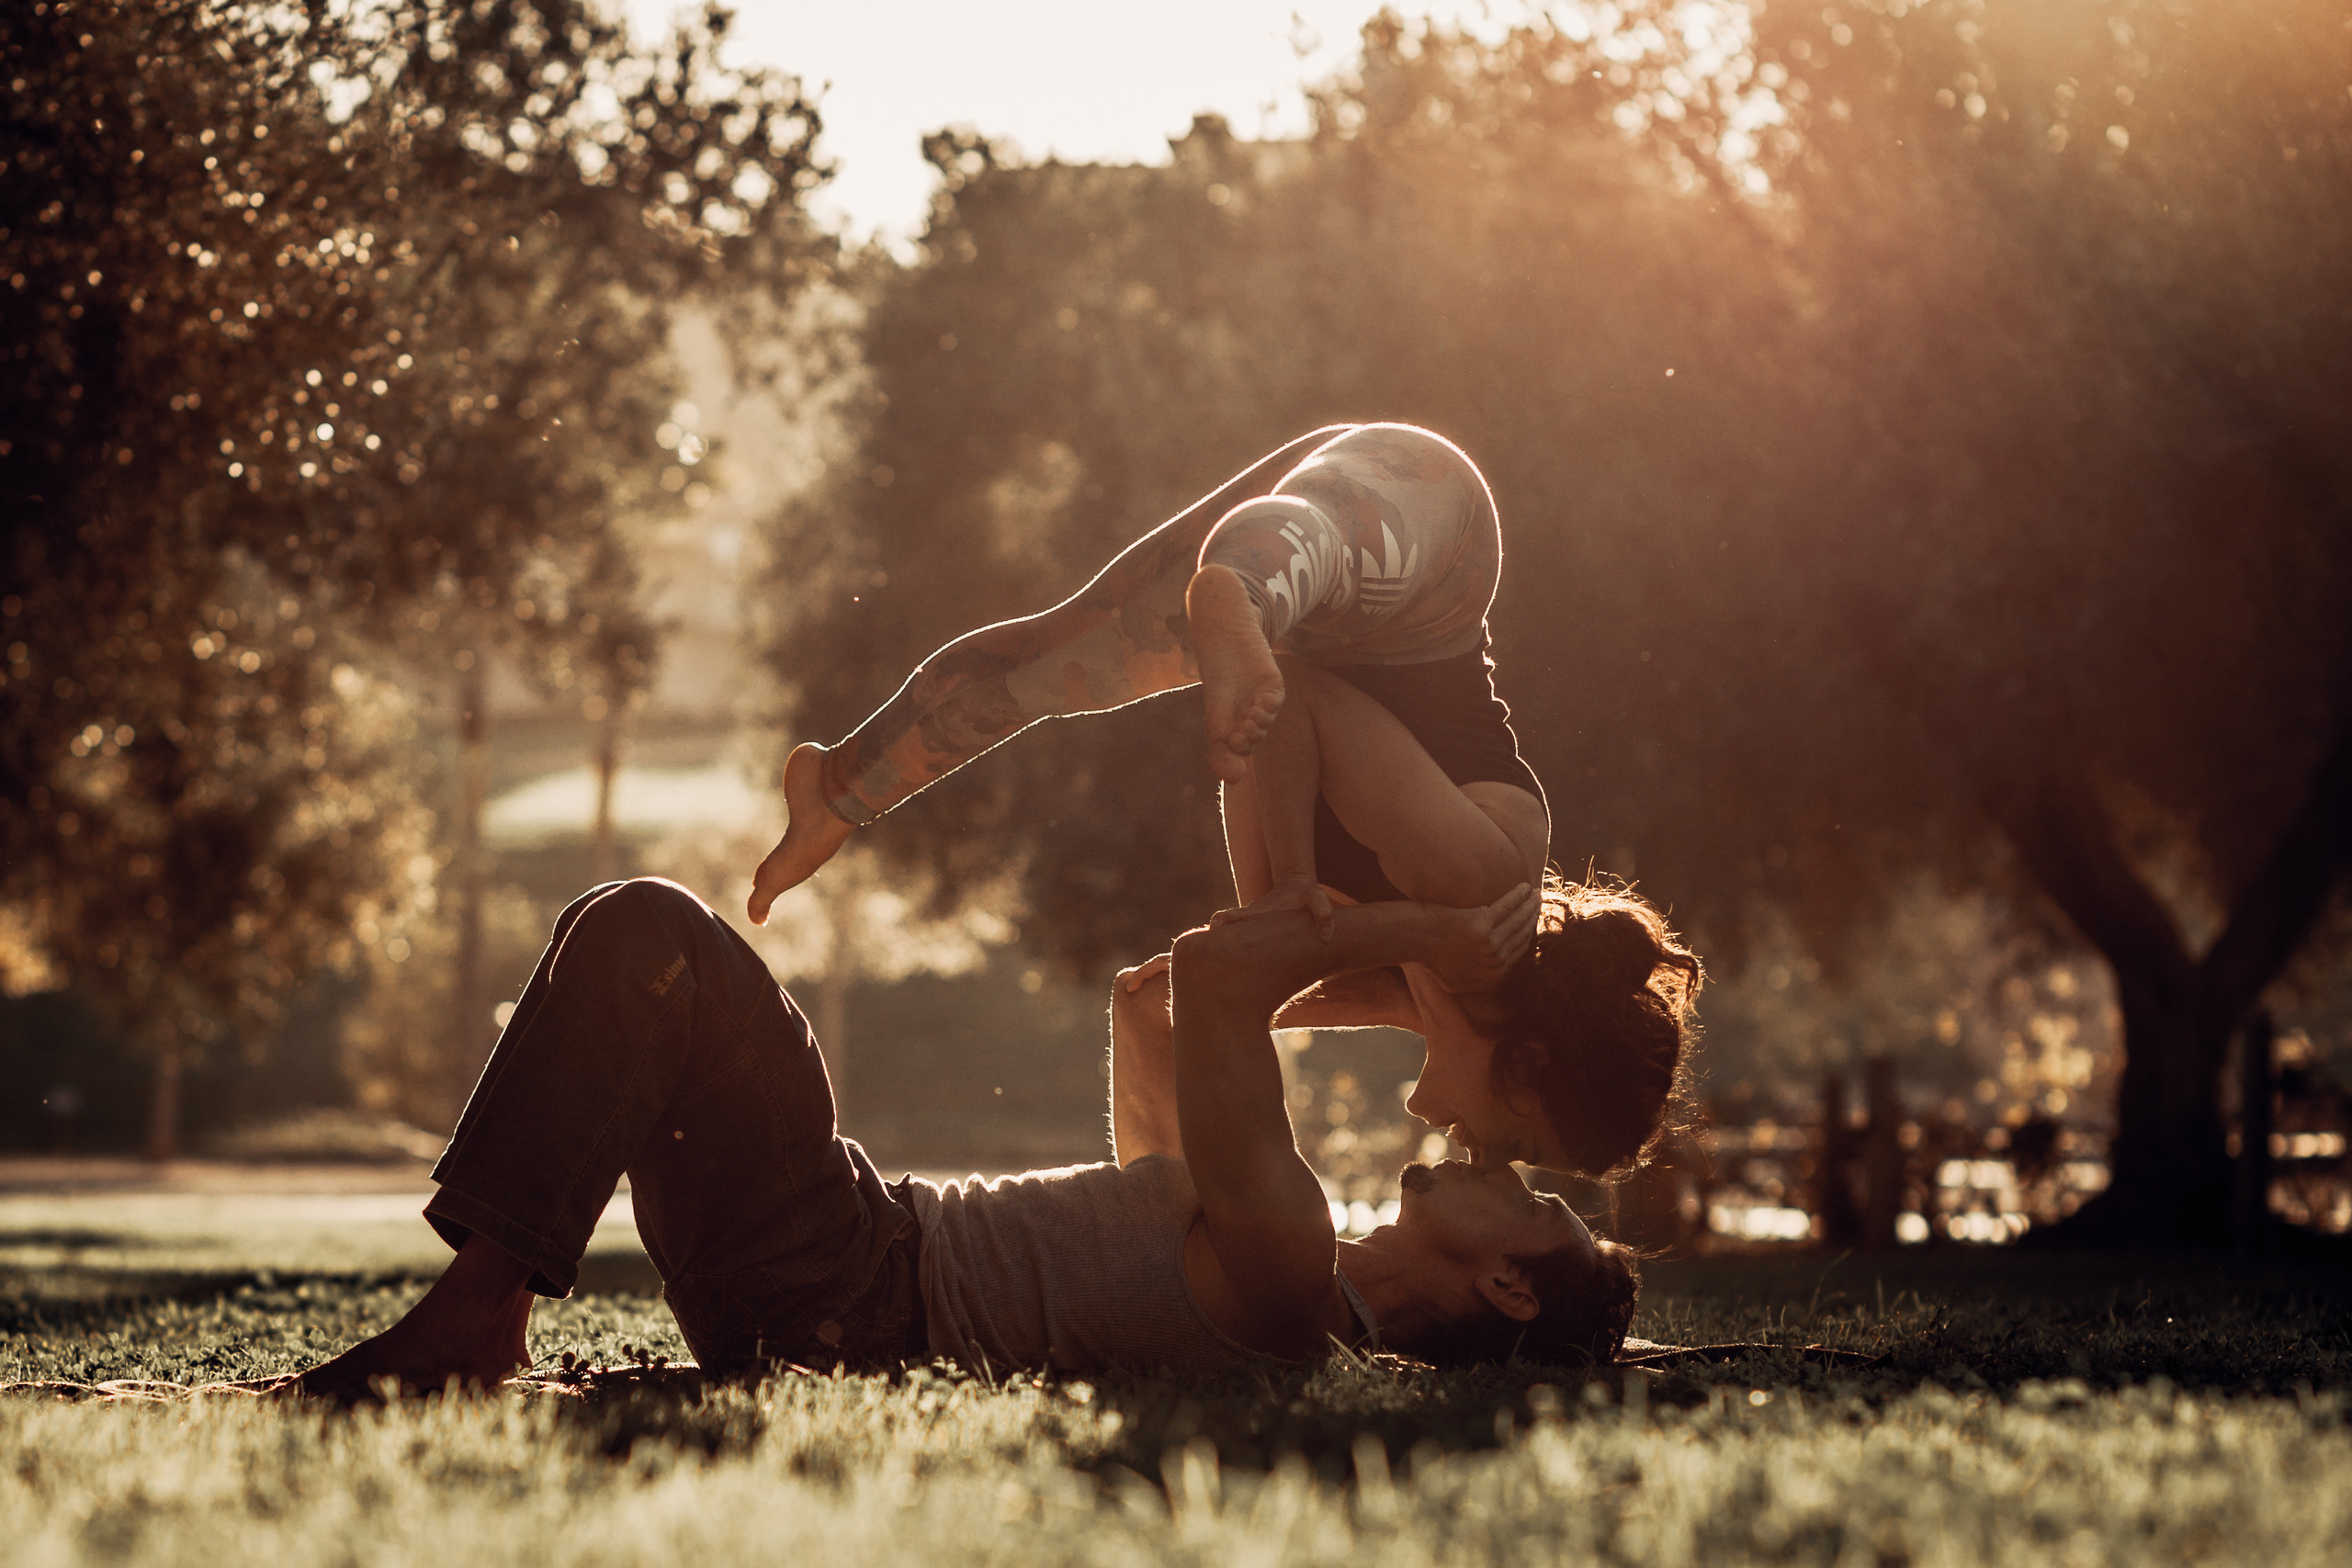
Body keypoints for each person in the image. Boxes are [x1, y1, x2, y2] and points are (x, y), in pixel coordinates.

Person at [745, 423, 1703, 1177]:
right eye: (1520, 1149)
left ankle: (837, 786)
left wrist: (1263, 977)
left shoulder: (1412, 983)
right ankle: (1235, 593)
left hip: (1310, 589)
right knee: (1303, 557)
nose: (1486, 1162)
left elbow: (1216, 990)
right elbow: (1298, 710)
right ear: (1530, 1066)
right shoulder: (1478, 889)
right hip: (1428, 545)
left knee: (1055, 666)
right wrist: (1289, 887)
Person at [288, 876, 1636, 1399]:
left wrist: (1430, 944)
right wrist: (1452, 1003)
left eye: (1546, 1213)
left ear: (1508, 1283)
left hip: (844, 1282)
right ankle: (486, 1306)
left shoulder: (1289, 1267)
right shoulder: (1263, 1226)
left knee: (651, 934)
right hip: (831, 1258)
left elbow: (1221, 976)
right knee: (631, 936)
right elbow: (1160, 991)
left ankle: (477, 1314)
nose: (1512, 1171)